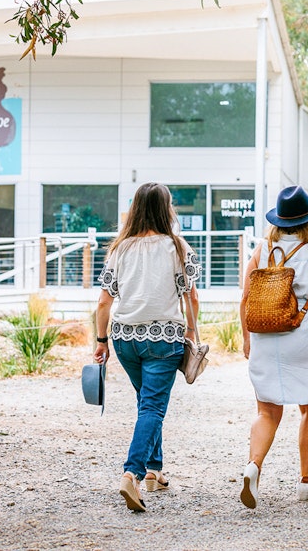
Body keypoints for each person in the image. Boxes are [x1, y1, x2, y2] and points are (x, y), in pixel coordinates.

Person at [93, 182, 201, 512]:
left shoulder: (119, 249)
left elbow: (103, 303)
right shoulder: (178, 247)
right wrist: (193, 335)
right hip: (163, 340)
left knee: (146, 403)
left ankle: (155, 471)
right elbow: (191, 297)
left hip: (125, 339)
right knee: (153, 407)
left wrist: (101, 341)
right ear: (166, 209)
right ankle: (132, 474)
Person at [239, 185, 308, 509]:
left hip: (264, 338)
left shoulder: (263, 249)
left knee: (267, 411)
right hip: (302, 338)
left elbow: (245, 298)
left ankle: (253, 466)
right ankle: (305, 482)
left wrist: (246, 338)